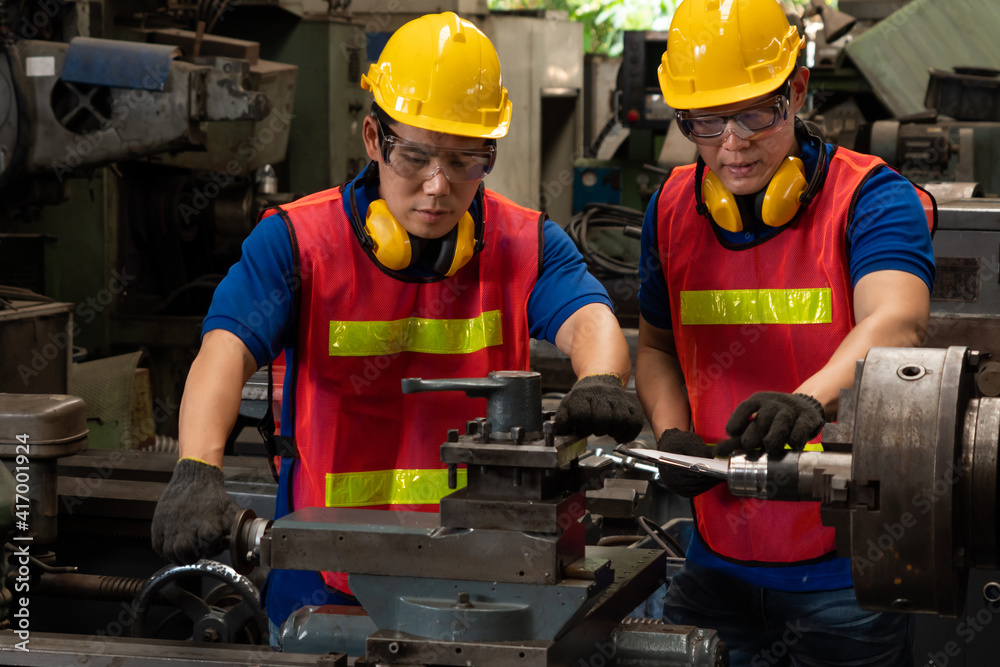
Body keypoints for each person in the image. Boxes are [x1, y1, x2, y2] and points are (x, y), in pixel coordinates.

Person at [149, 11, 644, 641]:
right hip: (321, 567)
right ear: (373, 137)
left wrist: (600, 378)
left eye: (467, 161)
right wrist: (198, 467)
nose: (438, 188)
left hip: (486, 568)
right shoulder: (299, 243)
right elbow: (223, 351)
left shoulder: (523, 242)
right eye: (415, 156)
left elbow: (590, 319)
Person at [634, 0, 935, 665]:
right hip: (713, 565)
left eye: (755, 113)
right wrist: (670, 432)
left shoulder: (871, 198)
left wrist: (809, 400)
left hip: (847, 577)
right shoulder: (672, 208)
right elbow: (655, 346)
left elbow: (898, 321)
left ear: (797, 88)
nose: (731, 144)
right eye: (705, 122)